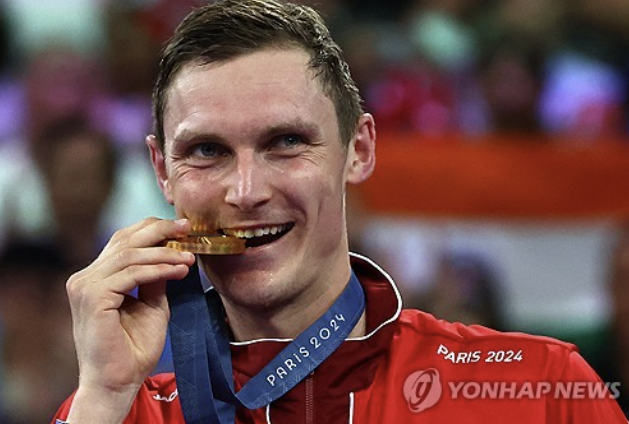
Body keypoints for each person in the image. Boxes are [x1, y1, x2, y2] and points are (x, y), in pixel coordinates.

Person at [52, 1, 625, 423]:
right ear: (162, 170)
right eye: (207, 151)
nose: (246, 192)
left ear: (360, 150)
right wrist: (102, 396)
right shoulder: (119, 409)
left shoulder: (537, 389)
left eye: (286, 142)